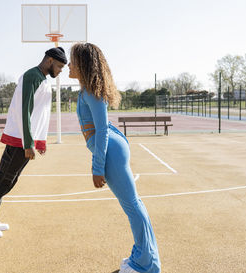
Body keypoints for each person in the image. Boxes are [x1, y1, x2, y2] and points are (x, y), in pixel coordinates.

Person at [68, 43, 161, 273]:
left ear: (83, 64)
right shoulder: (86, 90)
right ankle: (142, 257)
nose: (69, 64)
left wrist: (97, 167)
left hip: (111, 152)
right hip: (112, 149)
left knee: (132, 205)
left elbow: (101, 130)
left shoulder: (91, 91)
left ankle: (146, 264)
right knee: (134, 205)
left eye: (72, 60)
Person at [0, 47, 67, 238]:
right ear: (49, 60)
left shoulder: (42, 79)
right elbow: (25, 110)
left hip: (26, 138)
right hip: (20, 139)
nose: (61, 71)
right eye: (59, 66)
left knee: (9, 179)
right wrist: (28, 142)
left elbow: (40, 114)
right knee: (4, 178)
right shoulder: (32, 76)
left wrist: (40, 141)